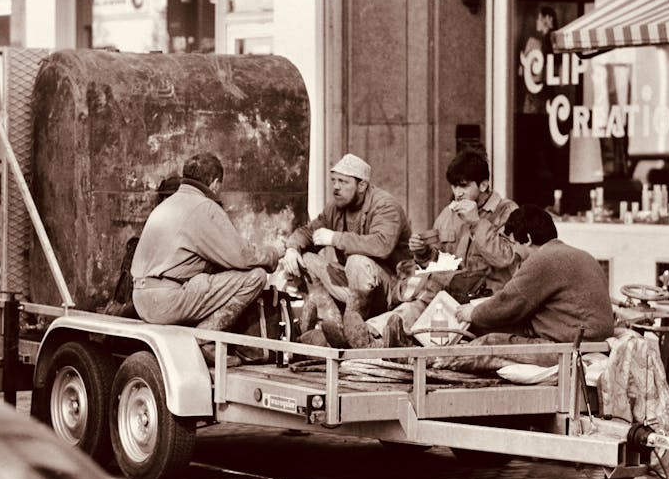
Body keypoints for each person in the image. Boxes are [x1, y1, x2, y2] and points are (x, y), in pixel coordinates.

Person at [349, 144, 519, 349]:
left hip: (484, 301)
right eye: (454, 186)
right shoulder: (449, 214)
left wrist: (476, 223)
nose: (457, 193)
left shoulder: (508, 212)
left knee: (429, 320)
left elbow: (505, 258)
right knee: (413, 308)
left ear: (483, 185)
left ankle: (377, 344)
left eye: (463, 186)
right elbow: (441, 260)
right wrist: (423, 253)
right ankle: (366, 333)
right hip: (446, 294)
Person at [445, 205, 614, 370]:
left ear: (527, 239)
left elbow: (507, 303)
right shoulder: (580, 255)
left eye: (512, 243)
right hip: (594, 342)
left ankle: (434, 361)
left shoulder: (543, 259)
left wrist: (472, 313)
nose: (514, 251)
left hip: (570, 347)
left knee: (490, 342)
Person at [131, 152, 282, 333]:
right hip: (166, 301)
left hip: (140, 298)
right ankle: (205, 339)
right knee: (256, 276)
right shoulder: (204, 207)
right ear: (215, 183)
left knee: (204, 278)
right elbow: (242, 256)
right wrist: (274, 253)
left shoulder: (166, 204)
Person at [281, 153, 412, 347]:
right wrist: (292, 249)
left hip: (389, 289)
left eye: (343, 181)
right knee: (307, 259)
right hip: (355, 287)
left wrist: (335, 238)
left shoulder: (385, 205)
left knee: (357, 261)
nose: (336, 187)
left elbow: (381, 245)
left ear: (361, 186)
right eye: (334, 180)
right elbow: (308, 232)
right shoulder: (336, 207)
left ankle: (353, 331)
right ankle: (330, 323)